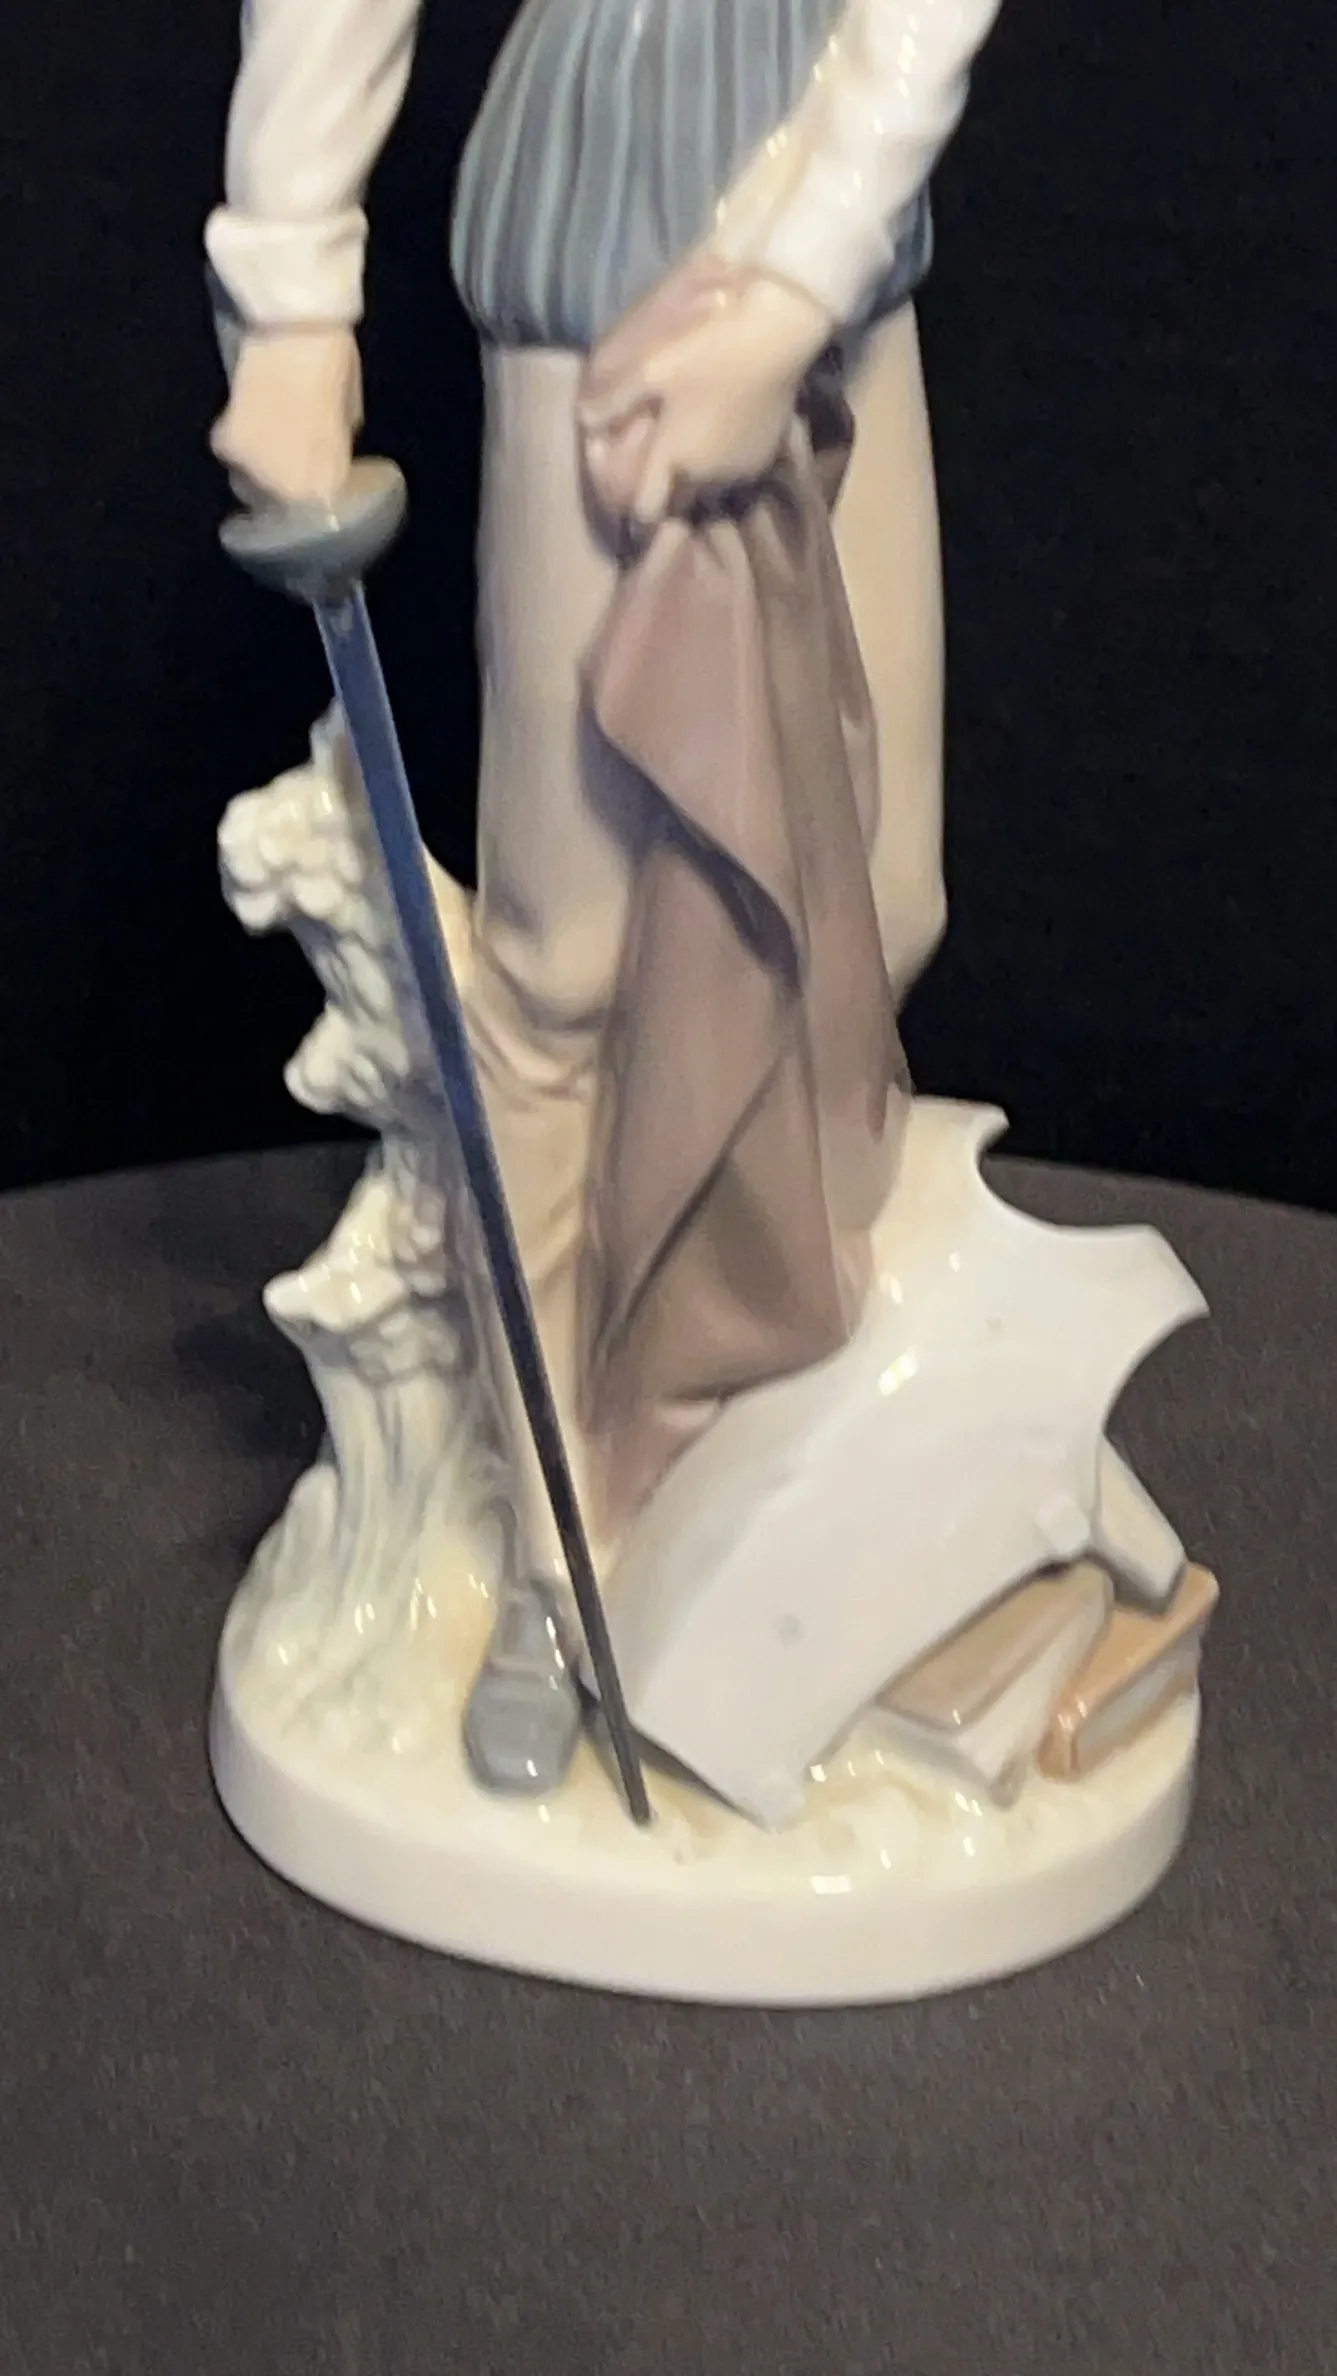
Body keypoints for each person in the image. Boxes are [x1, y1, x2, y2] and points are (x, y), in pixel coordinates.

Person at [207, 0, 1003, 1793]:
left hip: (832, 252)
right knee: (562, 969)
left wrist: (790, 287)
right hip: (600, 254)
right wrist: (291, 293)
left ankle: (778, 1443)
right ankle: (563, 1549)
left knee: (881, 903)